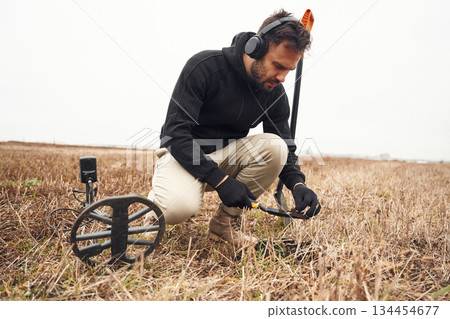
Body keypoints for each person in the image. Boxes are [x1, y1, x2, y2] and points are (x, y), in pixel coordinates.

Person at [148, 9, 321, 247]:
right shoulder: (204, 67)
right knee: (178, 211)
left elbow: (285, 143)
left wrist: (297, 184)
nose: (282, 77)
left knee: (276, 147)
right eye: (278, 66)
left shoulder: (274, 91)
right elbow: (175, 133)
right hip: (181, 156)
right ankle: (153, 204)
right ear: (256, 47)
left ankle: (224, 224)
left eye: (289, 71)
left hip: (225, 156)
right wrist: (220, 181)